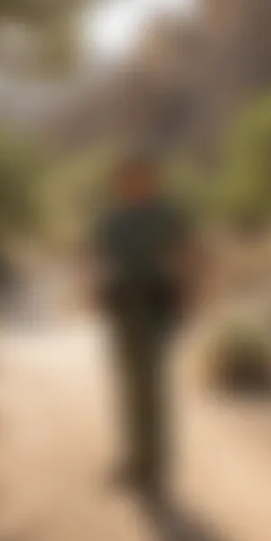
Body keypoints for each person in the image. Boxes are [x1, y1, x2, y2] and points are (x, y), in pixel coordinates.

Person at [93, 150, 194, 503]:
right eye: (126, 177)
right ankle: (133, 461)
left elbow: (186, 256)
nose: (133, 183)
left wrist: (188, 299)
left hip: (155, 304)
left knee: (153, 385)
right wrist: (95, 295)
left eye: (140, 176)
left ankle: (156, 467)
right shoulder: (112, 220)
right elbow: (100, 261)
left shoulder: (166, 216)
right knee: (127, 384)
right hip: (122, 305)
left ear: (151, 180)